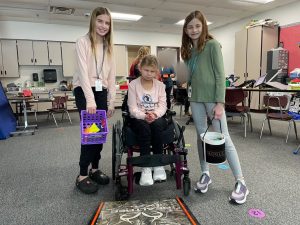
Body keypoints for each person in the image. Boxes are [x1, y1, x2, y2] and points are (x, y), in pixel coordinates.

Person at [181, 10, 249, 204]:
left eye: (197, 26)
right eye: (190, 27)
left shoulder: (212, 45)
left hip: (212, 100)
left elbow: (221, 76)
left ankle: (241, 182)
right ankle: (205, 174)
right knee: (201, 137)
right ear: (185, 30)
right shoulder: (187, 50)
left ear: (203, 27)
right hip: (196, 100)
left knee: (224, 138)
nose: (193, 30)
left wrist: (220, 103)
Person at [73, 7, 116, 194]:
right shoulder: (82, 42)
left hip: (101, 90)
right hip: (84, 90)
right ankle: (82, 174)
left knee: (100, 134)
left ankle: (95, 168)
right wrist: (90, 100)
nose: (103, 26)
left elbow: (112, 76)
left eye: (107, 23)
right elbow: (82, 73)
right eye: (100, 21)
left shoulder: (109, 46)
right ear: (93, 21)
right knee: (91, 134)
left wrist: (111, 101)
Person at [127, 55, 168, 186]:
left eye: (152, 71)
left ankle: (158, 165)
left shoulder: (160, 86)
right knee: (144, 128)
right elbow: (132, 108)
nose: (149, 74)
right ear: (140, 68)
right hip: (138, 117)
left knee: (157, 126)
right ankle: (146, 168)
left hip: (156, 116)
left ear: (157, 71)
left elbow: (163, 106)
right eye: (146, 70)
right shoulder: (133, 85)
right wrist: (144, 116)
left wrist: (154, 114)